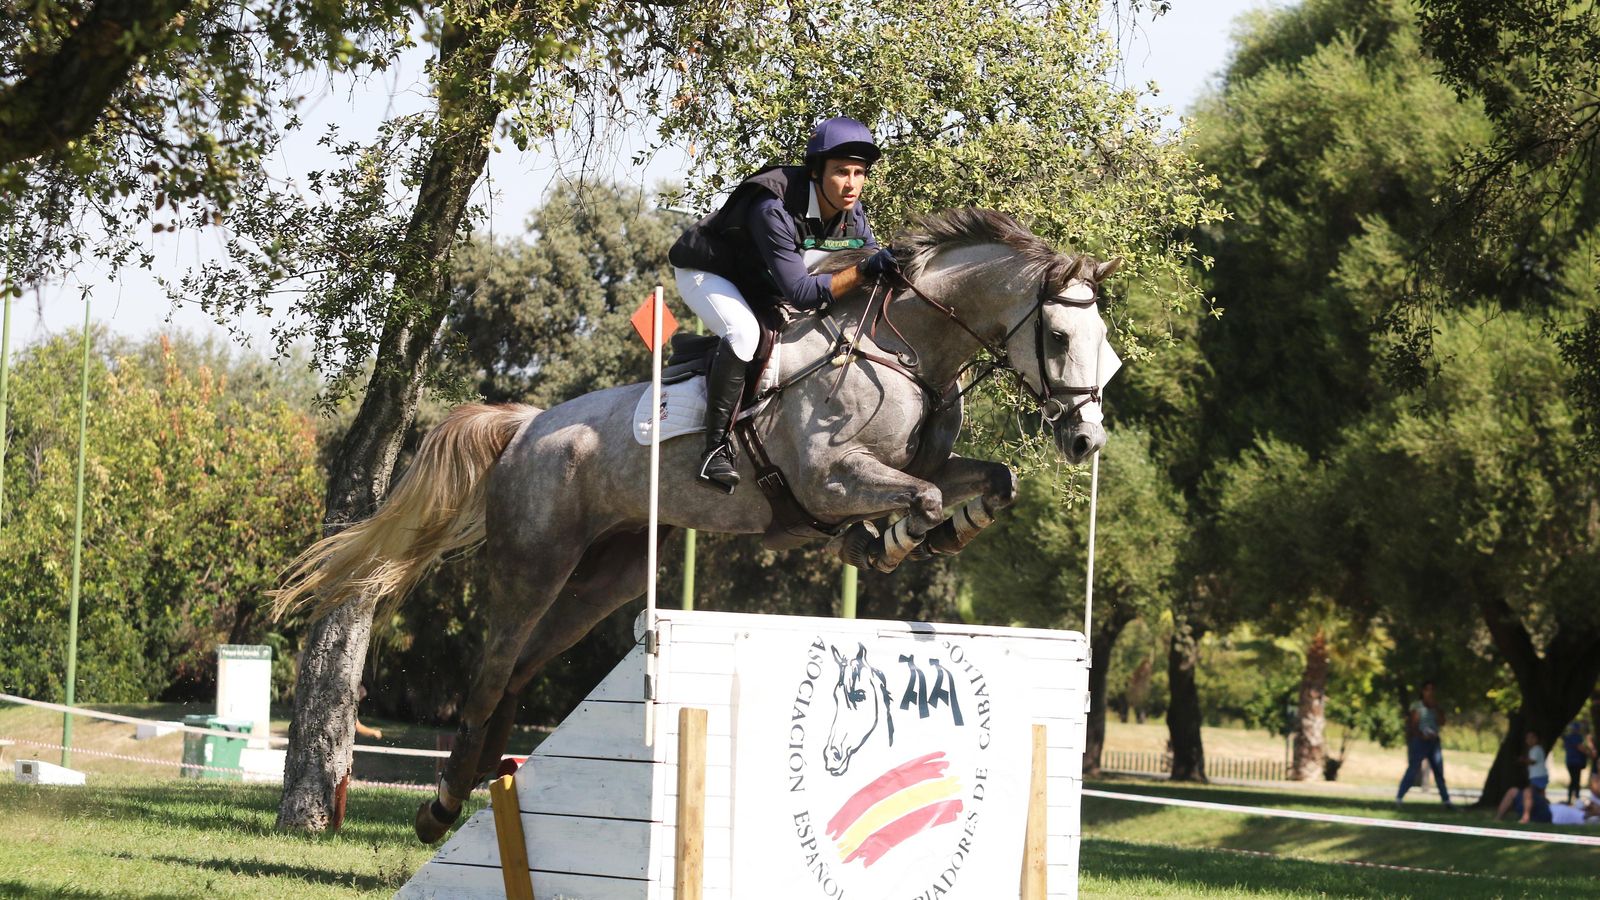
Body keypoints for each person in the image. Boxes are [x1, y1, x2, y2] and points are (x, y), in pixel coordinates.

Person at [669, 116, 899, 493]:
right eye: (842, 172)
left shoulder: (851, 212)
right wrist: (865, 268)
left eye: (860, 173)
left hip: (762, 279)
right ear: (815, 172)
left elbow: (868, 259)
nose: (852, 184)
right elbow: (803, 293)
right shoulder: (772, 206)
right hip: (709, 271)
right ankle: (714, 450)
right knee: (743, 335)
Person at [1395, 680, 1453, 808]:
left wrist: (1436, 708)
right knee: (1413, 769)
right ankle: (1399, 798)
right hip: (1420, 742)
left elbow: (1442, 722)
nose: (1430, 692)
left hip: (1434, 742)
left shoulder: (1436, 706)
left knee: (1438, 771)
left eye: (1433, 689)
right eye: (1428, 689)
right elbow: (1413, 724)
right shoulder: (1417, 706)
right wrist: (1422, 735)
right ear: (1423, 691)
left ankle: (1446, 801)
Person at [1495, 730, 1550, 823]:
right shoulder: (1536, 749)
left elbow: (1532, 761)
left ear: (1536, 739)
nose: (1529, 740)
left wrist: (1522, 759)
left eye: (1531, 737)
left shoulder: (1536, 749)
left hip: (1538, 776)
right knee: (1537, 794)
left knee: (1530, 793)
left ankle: (1528, 815)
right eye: (1527, 738)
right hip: (1536, 776)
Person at [1562, 721, 1589, 803]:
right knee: (1576, 781)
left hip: (1570, 762)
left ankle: (1570, 798)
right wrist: (1589, 753)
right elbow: (1580, 747)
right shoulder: (1577, 737)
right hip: (1576, 762)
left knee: (1573, 780)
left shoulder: (1568, 737)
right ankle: (1576, 798)